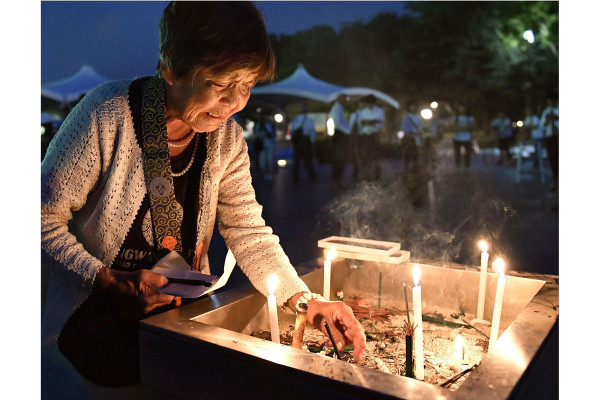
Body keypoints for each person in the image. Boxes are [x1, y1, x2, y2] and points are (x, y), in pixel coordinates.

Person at [41, 2, 366, 395]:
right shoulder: (106, 115)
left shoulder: (227, 141)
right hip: (98, 326)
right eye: (218, 83)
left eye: (246, 86)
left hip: (181, 325)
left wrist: (304, 302)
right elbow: (39, 218)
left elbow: (249, 231)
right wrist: (107, 280)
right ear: (173, 68)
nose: (233, 103)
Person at [355, 95, 385, 181]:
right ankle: (366, 177)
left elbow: (379, 123)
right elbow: (360, 123)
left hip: (374, 136)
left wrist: (369, 122)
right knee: (365, 157)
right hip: (364, 136)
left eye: (371, 104)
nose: (369, 106)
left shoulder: (379, 111)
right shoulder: (363, 112)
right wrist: (371, 122)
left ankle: (377, 177)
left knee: (375, 157)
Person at [289, 103, 317, 182]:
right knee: (307, 159)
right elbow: (312, 132)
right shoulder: (309, 120)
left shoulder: (295, 120)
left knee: (296, 160)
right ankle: (311, 174)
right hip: (305, 141)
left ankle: (295, 176)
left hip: (297, 141)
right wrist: (312, 141)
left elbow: (292, 131)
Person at [328, 95, 351, 189]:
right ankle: (336, 182)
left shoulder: (338, 108)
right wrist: (348, 132)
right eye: (345, 100)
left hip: (340, 135)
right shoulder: (337, 108)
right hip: (340, 136)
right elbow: (337, 124)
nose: (346, 102)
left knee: (340, 159)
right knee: (339, 158)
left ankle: (337, 181)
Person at [540, 93, 559, 191]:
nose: (550, 103)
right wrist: (547, 120)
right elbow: (543, 126)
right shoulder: (546, 112)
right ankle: (556, 183)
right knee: (553, 161)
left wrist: (557, 118)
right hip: (550, 138)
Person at [254, 111, 277, 180]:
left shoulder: (272, 125)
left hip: (270, 144)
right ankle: (264, 174)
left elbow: (274, 135)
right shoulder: (260, 124)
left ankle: (270, 173)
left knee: (270, 159)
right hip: (263, 144)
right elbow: (257, 134)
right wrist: (263, 133)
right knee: (263, 160)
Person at [401, 101, 422, 171]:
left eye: (414, 106)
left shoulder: (419, 117)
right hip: (409, 138)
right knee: (408, 153)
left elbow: (420, 127)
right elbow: (404, 128)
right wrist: (411, 132)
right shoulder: (406, 117)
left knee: (415, 154)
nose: (413, 108)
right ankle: (407, 167)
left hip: (416, 138)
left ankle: (415, 167)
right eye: (411, 106)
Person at [452, 103, 474, 168]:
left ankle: (467, 166)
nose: (462, 109)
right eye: (460, 108)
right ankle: (458, 166)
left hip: (467, 138)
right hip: (457, 138)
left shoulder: (469, 118)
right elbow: (452, 126)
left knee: (467, 153)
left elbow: (472, 127)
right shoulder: (456, 118)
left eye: (463, 108)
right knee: (457, 153)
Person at [523, 108, 545, 173]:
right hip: (533, 137)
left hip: (538, 136)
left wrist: (528, 127)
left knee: (538, 150)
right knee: (535, 150)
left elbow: (535, 126)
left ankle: (538, 163)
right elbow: (524, 126)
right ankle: (535, 162)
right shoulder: (527, 119)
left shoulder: (535, 118)